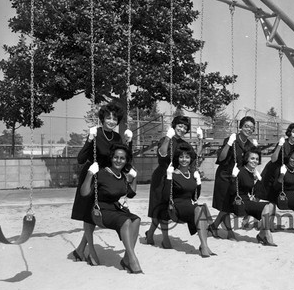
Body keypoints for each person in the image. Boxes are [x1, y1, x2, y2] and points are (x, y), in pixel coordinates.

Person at [71, 101, 132, 265]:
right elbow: (81, 159)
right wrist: (90, 139)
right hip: (92, 174)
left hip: (108, 178)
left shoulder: (117, 137)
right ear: (102, 119)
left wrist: (128, 142)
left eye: (114, 118)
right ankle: (91, 251)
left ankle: (79, 250)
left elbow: (123, 158)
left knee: (97, 214)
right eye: (108, 118)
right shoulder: (96, 133)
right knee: (88, 215)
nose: (111, 121)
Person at [80, 144, 143, 274]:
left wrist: (134, 178)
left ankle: (126, 258)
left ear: (126, 161)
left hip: (115, 208)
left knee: (136, 220)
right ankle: (133, 259)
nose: (118, 160)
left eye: (122, 158)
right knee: (125, 221)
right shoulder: (101, 173)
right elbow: (84, 193)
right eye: (116, 157)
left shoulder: (122, 176)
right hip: (101, 210)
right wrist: (90, 173)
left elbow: (131, 193)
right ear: (111, 158)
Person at [145, 115, 203, 248]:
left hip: (176, 178)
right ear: (174, 126)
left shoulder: (184, 144)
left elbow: (195, 156)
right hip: (161, 176)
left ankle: (152, 235)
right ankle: (162, 238)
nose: (182, 129)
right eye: (180, 126)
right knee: (158, 208)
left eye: (185, 127)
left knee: (167, 207)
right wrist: (167, 137)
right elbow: (162, 153)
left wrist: (200, 140)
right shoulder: (165, 139)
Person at [159, 144, 216, 257]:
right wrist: (169, 177)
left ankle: (204, 245)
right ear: (177, 159)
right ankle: (204, 246)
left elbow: (195, 197)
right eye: (181, 157)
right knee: (199, 209)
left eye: (187, 157)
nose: (184, 160)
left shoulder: (192, 174)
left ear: (191, 159)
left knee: (200, 208)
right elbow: (165, 197)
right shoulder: (173, 174)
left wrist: (198, 182)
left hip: (189, 206)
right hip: (176, 207)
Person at [210, 116, 257, 240]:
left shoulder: (250, 145)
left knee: (230, 205)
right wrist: (229, 144)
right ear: (240, 127)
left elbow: (250, 162)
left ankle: (214, 226)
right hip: (225, 175)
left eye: (252, 128)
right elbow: (221, 158)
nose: (249, 129)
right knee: (226, 205)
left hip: (237, 177)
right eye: (246, 126)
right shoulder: (231, 139)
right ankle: (229, 232)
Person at [231, 148, 277, 246]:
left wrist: (258, 180)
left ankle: (261, 234)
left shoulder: (251, 172)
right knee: (266, 207)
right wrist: (233, 177)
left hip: (247, 200)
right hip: (240, 202)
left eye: (256, 159)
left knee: (272, 206)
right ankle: (267, 235)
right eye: (252, 158)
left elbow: (253, 190)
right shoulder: (241, 171)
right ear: (246, 159)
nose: (255, 161)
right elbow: (232, 190)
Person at [257, 121, 294, 207]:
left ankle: (269, 217)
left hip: (281, 171)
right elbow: (273, 159)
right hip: (272, 170)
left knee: (273, 196)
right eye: (293, 132)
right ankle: (247, 216)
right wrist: (279, 145)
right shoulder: (284, 143)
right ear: (290, 132)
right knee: (260, 193)